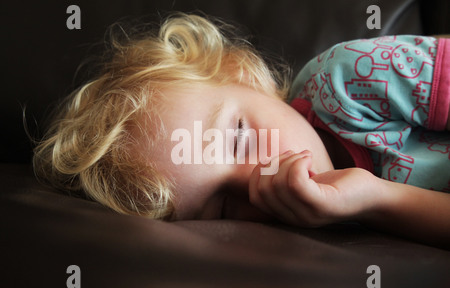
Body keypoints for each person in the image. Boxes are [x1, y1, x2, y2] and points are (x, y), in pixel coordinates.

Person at [32, 13, 450, 248]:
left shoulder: (348, 78)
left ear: (246, 78)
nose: (258, 179)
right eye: (224, 208)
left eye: (240, 139)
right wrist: (374, 200)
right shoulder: (341, 224)